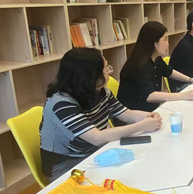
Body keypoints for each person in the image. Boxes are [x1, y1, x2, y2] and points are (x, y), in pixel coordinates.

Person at [40, 48, 162, 181]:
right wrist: (143, 125)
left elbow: (126, 113)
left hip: (93, 151)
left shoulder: (99, 90)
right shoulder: (61, 103)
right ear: (90, 76)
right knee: (127, 176)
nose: (110, 72)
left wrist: (149, 116)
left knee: (140, 165)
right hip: (67, 166)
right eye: (106, 69)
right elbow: (97, 137)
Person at [117, 21, 193, 115]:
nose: (167, 44)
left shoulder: (156, 58)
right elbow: (150, 96)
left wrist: (191, 80)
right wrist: (183, 95)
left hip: (149, 110)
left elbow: (169, 72)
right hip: (133, 115)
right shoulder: (141, 64)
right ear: (154, 43)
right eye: (165, 39)